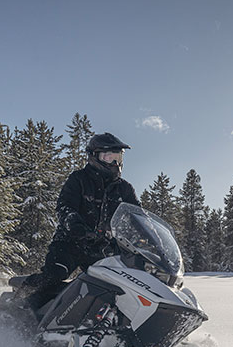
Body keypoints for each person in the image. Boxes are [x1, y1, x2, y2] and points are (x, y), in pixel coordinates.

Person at [16, 132, 140, 311]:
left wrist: (147, 238)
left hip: (103, 249)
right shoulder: (79, 179)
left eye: (117, 157)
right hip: (71, 243)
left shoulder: (125, 189)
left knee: (119, 286)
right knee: (55, 274)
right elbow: (65, 206)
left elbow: (137, 216)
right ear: (94, 157)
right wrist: (74, 224)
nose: (114, 163)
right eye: (108, 157)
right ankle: (17, 308)